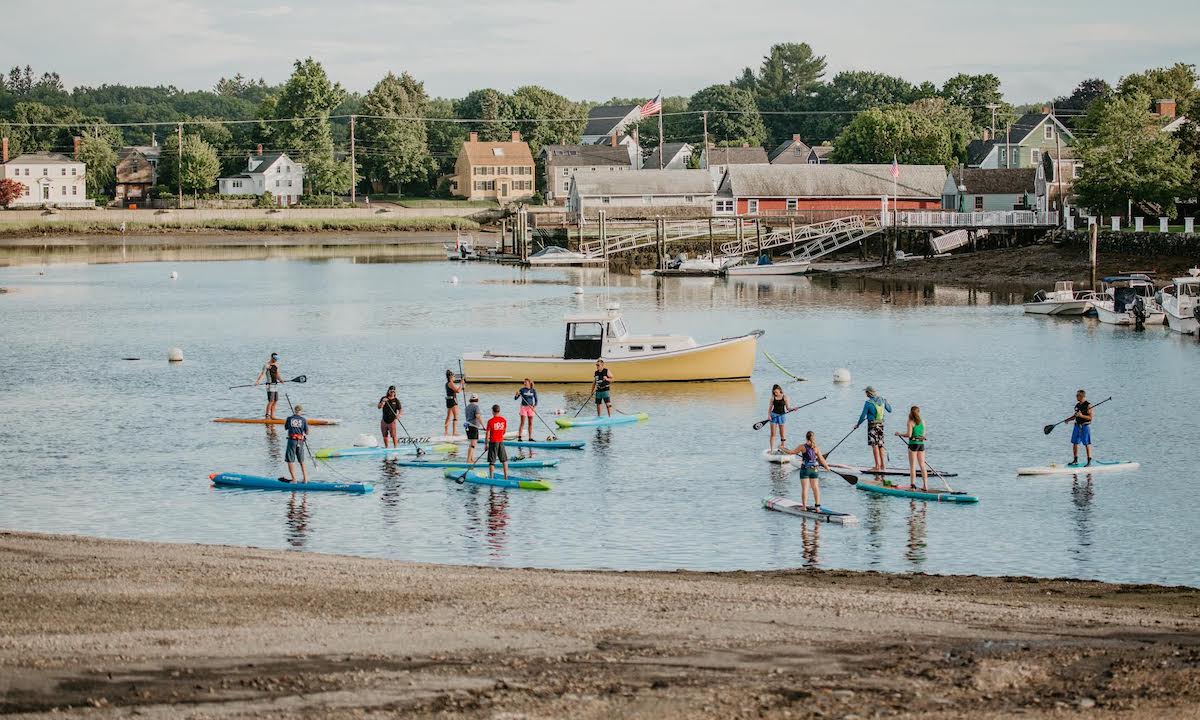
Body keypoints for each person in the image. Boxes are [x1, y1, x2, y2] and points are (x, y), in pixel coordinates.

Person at [782, 431, 833, 511]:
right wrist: (827, 467)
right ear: (813, 438)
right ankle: (817, 507)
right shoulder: (816, 447)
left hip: (805, 470)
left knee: (805, 489)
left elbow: (791, 452)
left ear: (806, 437)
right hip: (814, 470)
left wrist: (781, 448)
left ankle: (804, 507)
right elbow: (821, 459)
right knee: (816, 488)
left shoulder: (802, 446)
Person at [855, 386, 892, 472]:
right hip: (881, 426)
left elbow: (862, 416)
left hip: (872, 426)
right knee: (880, 445)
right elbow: (890, 410)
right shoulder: (882, 400)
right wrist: (886, 401)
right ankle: (883, 466)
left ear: (869, 393)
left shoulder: (868, 403)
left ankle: (877, 466)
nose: (865, 394)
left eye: (866, 392)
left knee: (874, 445)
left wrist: (857, 425)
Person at [895, 406, 928, 491]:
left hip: (913, 445)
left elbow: (909, 435)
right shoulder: (923, 422)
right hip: (921, 445)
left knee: (913, 466)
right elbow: (923, 435)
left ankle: (913, 486)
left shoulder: (910, 422)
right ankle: (925, 486)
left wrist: (899, 434)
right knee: (922, 466)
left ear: (911, 413)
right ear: (919, 412)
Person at [283, 404, 309, 484]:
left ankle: (294, 479)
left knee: (290, 460)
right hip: (300, 442)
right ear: (301, 411)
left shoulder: (289, 418)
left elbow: (286, 428)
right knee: (301, 461)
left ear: (295, 410)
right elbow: (307, 432)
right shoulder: (303, 419)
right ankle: (305, 479)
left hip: (292, 441)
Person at [254, 353, 284, 419]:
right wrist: (258, 381)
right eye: (275, 359)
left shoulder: (277, 365)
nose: (276, 360)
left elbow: (277, 374)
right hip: (270, 385)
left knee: (276, 400)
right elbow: (262, 374)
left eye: (276, 359)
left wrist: (280, 380)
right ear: (271, 357)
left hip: (275, 385)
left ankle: (273, 416)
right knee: (271, 401)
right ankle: (267, 415)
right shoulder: (266, 365)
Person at [485, 404, 510, 480]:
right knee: (504, 460)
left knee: (492, 461)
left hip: (493, 442)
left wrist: (486, 444)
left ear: (493, 411)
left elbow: (487, 434)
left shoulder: (490, 421)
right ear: (499, 411)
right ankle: (506, 477)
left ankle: (491, 477)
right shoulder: (503, 420)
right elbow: (504, 431)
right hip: (501, 442)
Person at [1070, 389, 1094, 466]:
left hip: (1085, 426)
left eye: (1077, 395)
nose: (1076, 396)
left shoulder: (1088, 405)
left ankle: (1089, 461)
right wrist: (1068, 420)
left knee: (1087, 443)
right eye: (1076, 395)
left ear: (1081, 396)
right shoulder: (1077, 405)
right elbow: (1075, 416)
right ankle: (1075, 460)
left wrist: (1081, 415)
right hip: (1077, 426)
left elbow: (1090, 418)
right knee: (1075, 443)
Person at [766, 384, 792, 451]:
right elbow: (770, 408)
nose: (775, 393)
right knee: (773, 434)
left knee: (782, 433)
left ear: (780, 390)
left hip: (782, 416)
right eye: (774, 392)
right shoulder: (772, 398)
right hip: (773, 416)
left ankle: (782, 447)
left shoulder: (785, 397)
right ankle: (771, 449)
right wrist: (769, 415)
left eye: (776, 392)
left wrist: (793, 409)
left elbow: (788, 408)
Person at [464, 393, 483, 463]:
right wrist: (483, 426)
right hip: (473, 427)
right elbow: (478, 416)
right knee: (473, 445)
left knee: (472, 444)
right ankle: (468, 460)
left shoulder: (467, 407)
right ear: (477, 399)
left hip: (467, 426)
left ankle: (472, 459)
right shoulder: (476, 407)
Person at [443, 369, 462, 436]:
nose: (454, 378)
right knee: (455, 416)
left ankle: (446, 432)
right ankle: (454, 432)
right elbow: (458, 391)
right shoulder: (451, 383)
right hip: (453, 401)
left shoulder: (447, 384)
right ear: (451, 377)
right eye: (454, 376)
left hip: (448, 400)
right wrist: (461, 384)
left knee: (448, 416)